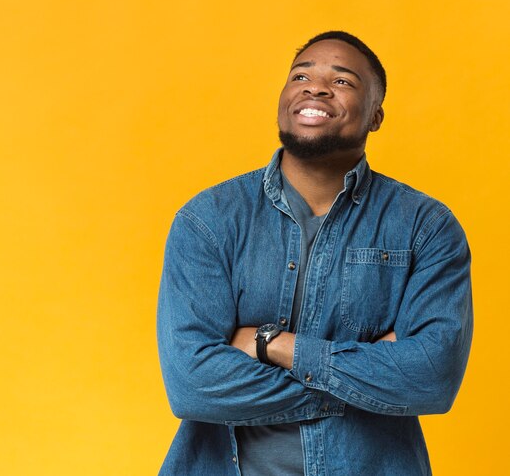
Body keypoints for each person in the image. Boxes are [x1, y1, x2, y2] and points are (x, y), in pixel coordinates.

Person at [157, 31, 473, 476]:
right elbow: (193, 386)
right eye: (300, 75)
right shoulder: (208, 220)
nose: (316, 87)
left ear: (376, 115)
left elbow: (430, 377)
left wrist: (272, 345)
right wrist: (366, 377)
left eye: (342, 81)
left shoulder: (426, 227)